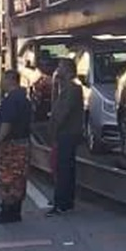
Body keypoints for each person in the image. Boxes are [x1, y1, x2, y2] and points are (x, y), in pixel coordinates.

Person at [0, 70, 31, 224]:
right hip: (23, 142)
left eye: (3, 80)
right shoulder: (24, 99)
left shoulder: (11, 100)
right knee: (19, 176)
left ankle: (7, 210)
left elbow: (6, 123)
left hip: (11, 144)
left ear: (10, 80)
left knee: (7, 177)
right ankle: (15, 209)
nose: (1, 83)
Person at [47, 57, 82, 216]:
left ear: (67, 70)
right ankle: (65, 201)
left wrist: (54, 130)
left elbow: (63, 112)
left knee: (63, 169)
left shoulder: (73, 88)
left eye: (60, 67)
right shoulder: (63, 88)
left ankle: (62, 202)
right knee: (63, 168)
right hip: (65, 133)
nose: (57, 70)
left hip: (67, 133)